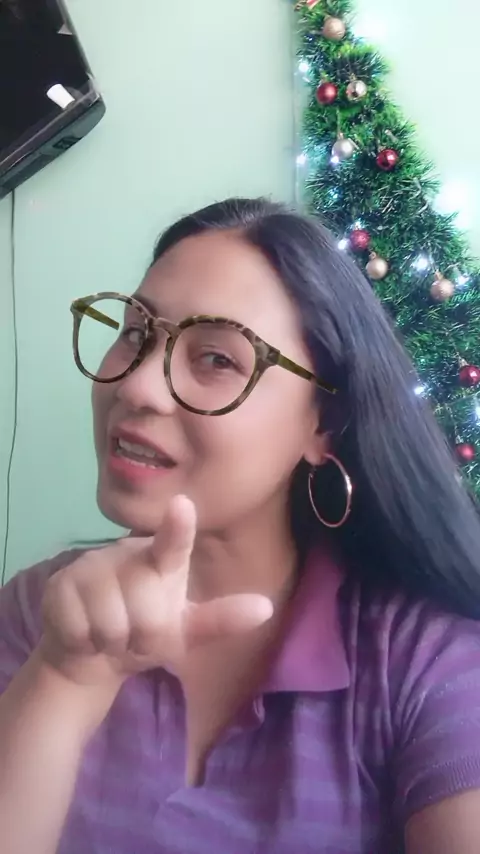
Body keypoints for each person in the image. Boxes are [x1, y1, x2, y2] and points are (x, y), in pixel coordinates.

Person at [1, 198, 480, 854]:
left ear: (324, 424)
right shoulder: (40, 614)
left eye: (217, 359)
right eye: (136, 332)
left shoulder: (427, 663)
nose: (137, 388)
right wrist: (64, 679)